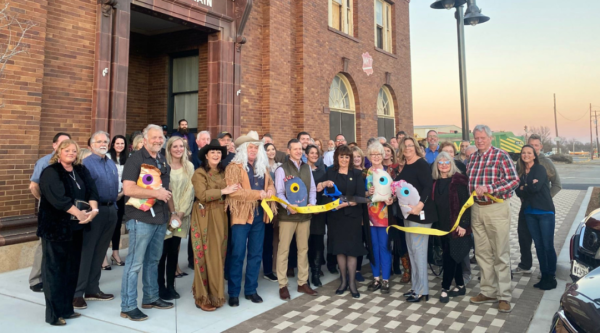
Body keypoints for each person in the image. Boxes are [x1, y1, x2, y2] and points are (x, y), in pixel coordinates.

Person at [120, 124, 183, 321]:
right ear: (144, 139)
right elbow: (129, 189)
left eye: (160, 138)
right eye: (154, 137)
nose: (158, 140)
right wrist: (155, 193)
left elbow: (167, 189)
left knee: (153, 261)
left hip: (161, 218)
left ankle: (151, 297)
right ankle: (128, 306)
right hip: (140, 219)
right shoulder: (135, 159)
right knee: (134, 264)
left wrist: (173, 212)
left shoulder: (162, 159)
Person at [37, 140, 99, 325]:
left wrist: (93, 211)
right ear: (59, 151)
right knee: (55, 272)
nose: (71, 153)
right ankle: (54, 315)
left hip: (76, 228)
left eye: (74, 151)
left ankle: (67, 309)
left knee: (71, 270)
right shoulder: (51, 172)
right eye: (67, 150)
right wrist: (80, 214)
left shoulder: (80, 170)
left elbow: (92, 191)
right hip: (56, 229)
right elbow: (59, 199)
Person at [467, 125, 518, 313]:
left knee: (500, 253)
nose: (479, 141)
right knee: (482, 253)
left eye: (483, 137)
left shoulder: (501, 155)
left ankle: (504, 295)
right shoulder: (472, 158)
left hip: (496, 208)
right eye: (476, 138)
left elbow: (514, 180)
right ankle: (488, 291)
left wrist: (490, 188)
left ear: (490, 138)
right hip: (477, 209)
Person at [224, 131, 274, 307]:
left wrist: (270, 192)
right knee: (237, 254)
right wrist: (258, 194)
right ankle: (233, 292)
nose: (253, 150)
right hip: (241, 215)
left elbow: (270, 185)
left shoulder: (263, 166)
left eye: (256, 147)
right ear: (244, 149)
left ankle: (251, 290)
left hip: (260, 214)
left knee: (255, 254)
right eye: (250, 147)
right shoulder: (234, 167)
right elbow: (234, 192)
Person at [71, 131, 119, 311]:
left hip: (111, 210)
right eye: (99, 141)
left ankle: (92, 289)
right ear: (90, 145)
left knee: (100, 252)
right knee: (87, 252)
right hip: (93, 212)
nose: (103, 143)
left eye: (106, 141)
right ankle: (77, 293)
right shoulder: (85, 165)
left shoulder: (111, 163)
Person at [190, 139, 239, 311]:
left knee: (218, 255)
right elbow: (201, 194)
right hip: (204, 215)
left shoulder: (225, 173)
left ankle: (216, 295)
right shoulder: (199, 173)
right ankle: (202, 296)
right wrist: (224, 191)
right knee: (204, 255)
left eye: (219, 152)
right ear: (206, 155)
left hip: (221, 215)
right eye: (213, 152)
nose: (216, 155)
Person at [321, 145, 367, 298]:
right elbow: (323, 192)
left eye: (347, 157)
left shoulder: (357, 173)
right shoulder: (330, 172)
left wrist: (347, 203)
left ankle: (352, 283)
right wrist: (324, 185)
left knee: (352, 250)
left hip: (352, 217)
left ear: (350, 158)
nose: (344, 159)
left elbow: (361, 196)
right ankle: (343, 281)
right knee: (340, 249)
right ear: (337, 158)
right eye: (341, 156)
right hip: (336, 218)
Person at [28, 132, 71, 293]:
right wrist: (46, 201)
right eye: (62, 143)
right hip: (49, 209)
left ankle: (54, 277)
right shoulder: (44, 162)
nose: (66, 147)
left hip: (66, 208)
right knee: (44, 243)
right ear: (54, 145)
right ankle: (36, 279)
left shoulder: (70, 162)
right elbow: (33, 186)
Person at [275, 139, 318, 300]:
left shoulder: (307, 168)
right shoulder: (282, 169)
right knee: (284, 250)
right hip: (288, 216)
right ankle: (282, 285)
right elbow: (279, 193)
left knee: (303, 249)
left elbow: (312, 189)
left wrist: (312, 204)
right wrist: (288, 206)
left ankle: (302, 282)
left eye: (300, 149)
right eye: (295, 149)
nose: (298, 151)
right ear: (288, 151)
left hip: (305, 216)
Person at [513, 134, 562, 276]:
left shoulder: (546, 164)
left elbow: (557, 184)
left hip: (542, 208)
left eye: (535, 146)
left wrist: (544, 198)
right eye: (529, 146)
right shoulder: (521, 163)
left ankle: (548, 271)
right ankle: (525, 264)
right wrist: (525, 193)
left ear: (540, 147)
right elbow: (518, 186)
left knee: (544, 242)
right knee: (523, 236)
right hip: (526, 208)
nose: (531, 149)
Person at [396, 136, 438, 302]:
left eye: (410, 145)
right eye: (404, 146)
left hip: (420, 215)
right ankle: (415, 287)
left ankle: (422, 291)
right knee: (412, 252)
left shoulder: (421, 164)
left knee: (419, 253)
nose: (408, 148)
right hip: (408, 215)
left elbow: (428, 186)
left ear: (415, 147)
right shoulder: (406, 165)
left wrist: (420, 205)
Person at [157, 137, 194, 301]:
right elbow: (163, 190)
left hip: (181, 217)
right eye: (175, 146)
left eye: (182, 146)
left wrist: (180, 213)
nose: (179, 149)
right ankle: (160, 286)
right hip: (165, 215)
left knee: (174, 250)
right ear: (169, 148)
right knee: (162, 252)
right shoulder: (163, 166)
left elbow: (190, 190)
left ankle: (171, 285)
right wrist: (172, 213)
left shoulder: (189, 166)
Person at [432, 152, 472, 303]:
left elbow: (466, 205)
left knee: (449, 257)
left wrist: (463, 225)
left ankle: (445, 288)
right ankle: (460, 285)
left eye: (446, 162)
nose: (443, 165)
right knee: (453, 256)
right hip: (441, 226)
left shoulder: (459, 181)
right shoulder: (435, 182)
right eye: (440, 162)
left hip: (457, 227)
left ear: (452, 164)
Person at [365, 143, 395, 294]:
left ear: (383, 156)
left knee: (384, 246)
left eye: (378, 154)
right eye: (372, 154)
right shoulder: (366, 173)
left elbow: (396, 192)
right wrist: (366, 192)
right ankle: (376, 277)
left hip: (384, 216)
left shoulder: (389, 172)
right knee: (373, 247)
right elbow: (361, 193)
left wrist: (392, 200)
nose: (375, 157)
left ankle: (386, 280)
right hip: (369, 215)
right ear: (369, 157)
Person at [305, 144, 327, 287]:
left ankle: (316, 272)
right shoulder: (301, 170)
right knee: (304, 244)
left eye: (316, 153)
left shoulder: (322, 172)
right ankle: (304, 274)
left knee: (318, 243)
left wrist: (320, 208)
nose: (314, 155)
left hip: (318, 213)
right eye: (311, 153)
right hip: (304, 212)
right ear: (306, 154)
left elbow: (325, 194)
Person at [105, 135, 128, 268]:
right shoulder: (107, 158)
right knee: (106, 226)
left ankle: (115, 253)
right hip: (108, 196)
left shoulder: (127, 159)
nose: (119, 145)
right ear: (113, 144)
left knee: (117, 225)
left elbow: (129, 177)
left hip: (121, 195)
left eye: (122, 143)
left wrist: (122, 193)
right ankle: (103, 257)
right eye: (117, 143)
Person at [263, 143, 282, 282]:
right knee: (266, 239)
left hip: (279, 205)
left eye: (272, 149)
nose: (271, 152)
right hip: (266, 206)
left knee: (278, 238)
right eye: (268, 150)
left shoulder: (280, 167)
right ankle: (267, 269)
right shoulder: (261, 167)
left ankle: (276, 267)